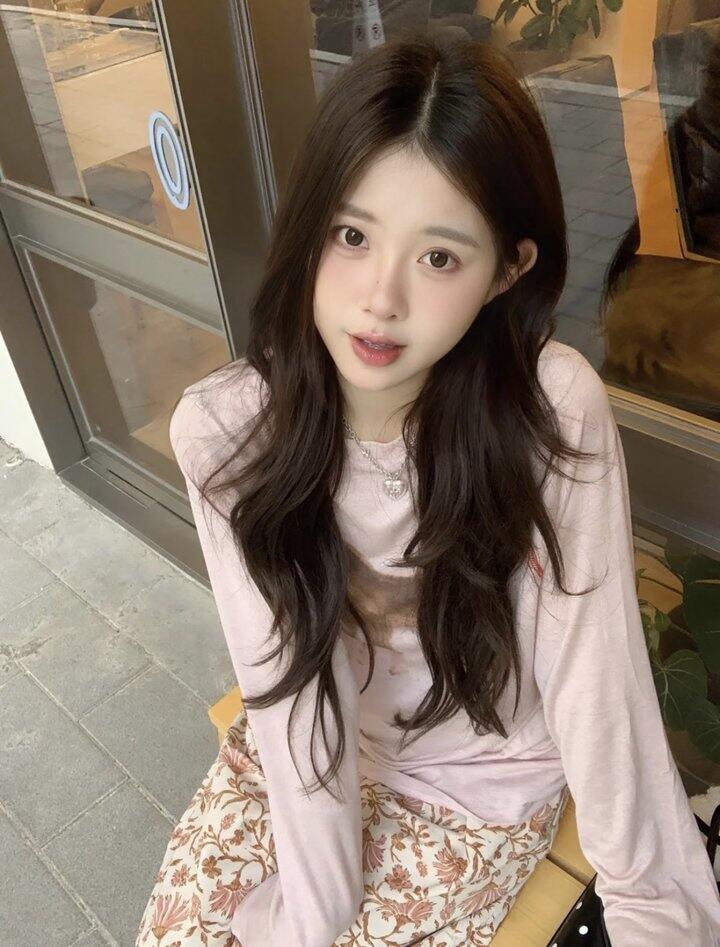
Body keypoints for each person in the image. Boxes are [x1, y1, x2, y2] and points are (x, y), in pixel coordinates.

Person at [136, 31, 720, 947]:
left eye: (439, 257)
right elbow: (291, 691)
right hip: (303, 760)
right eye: (352, 235)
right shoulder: (228, 433)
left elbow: (596, 679)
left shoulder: (548, 412)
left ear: (508, 270)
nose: (381, 299)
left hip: (476, 789)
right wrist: (312, 914)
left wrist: (653, 909)